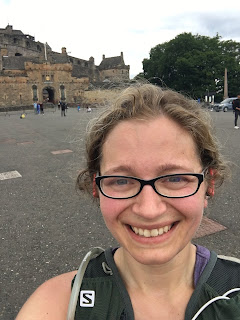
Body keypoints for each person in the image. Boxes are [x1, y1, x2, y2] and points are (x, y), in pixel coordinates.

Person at [16, 84, 240, 320]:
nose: (148, 210)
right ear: (96, 187)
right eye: (121, 181)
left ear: (209, 184)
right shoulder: (56, 305)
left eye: (175, 178)